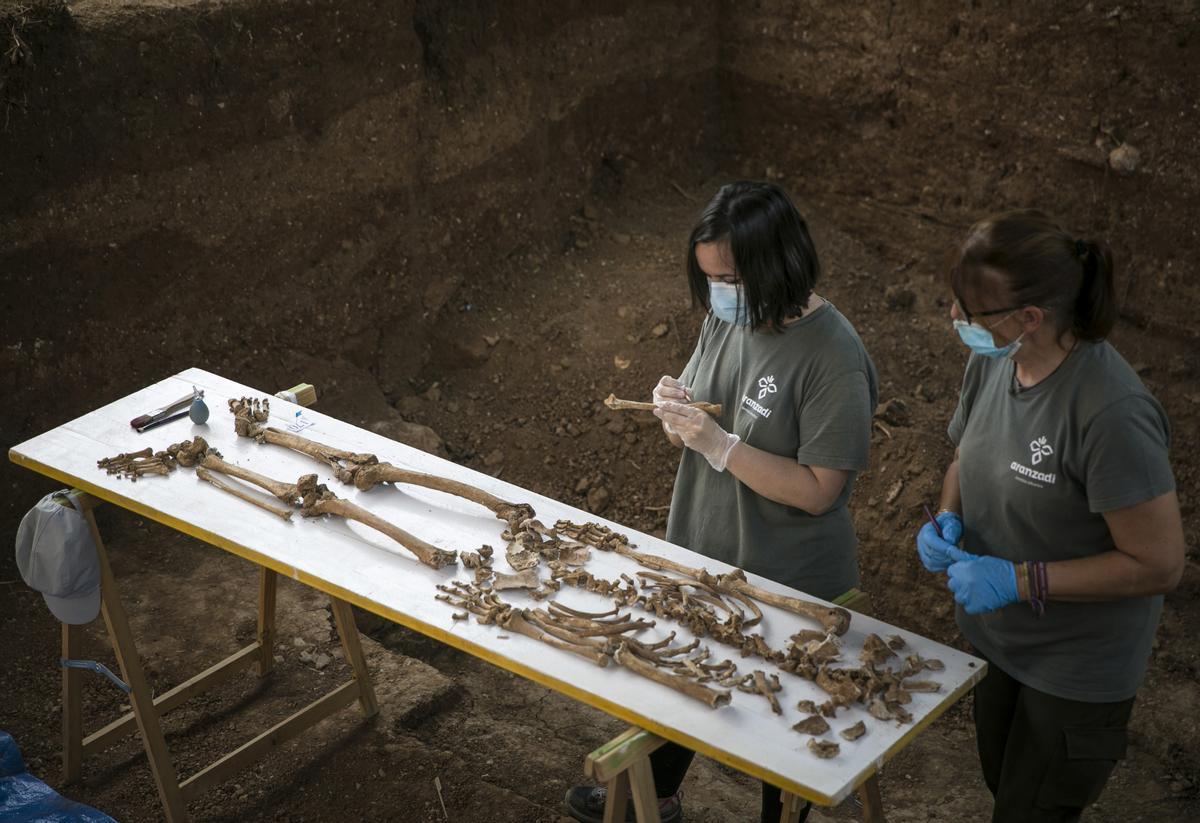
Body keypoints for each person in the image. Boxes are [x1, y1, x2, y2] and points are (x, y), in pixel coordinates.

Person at [565, 181, 878, 823]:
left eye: (729, 278)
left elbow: (822, 490)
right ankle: (657, 793)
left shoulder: (833, 355)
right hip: (706, 549)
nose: (717, 294)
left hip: (786, 578)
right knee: (683, 670)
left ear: (777, 266)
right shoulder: (727, 314)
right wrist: (675, 407)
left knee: (779, 735)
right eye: (709, 279)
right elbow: (705, 403)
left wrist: (721, 446)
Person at [916, 209, 1185, 823]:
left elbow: (1158, 564)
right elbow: (965, 453)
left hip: (1074, 668)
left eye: (970, 311)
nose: (954, 320)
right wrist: (947, 517)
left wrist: (1020, 580)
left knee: (1032, 809)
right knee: (1003, 786)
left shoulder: (1110, 413)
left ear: (1028, 318)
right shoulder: (992, 359)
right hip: (1000, 642)